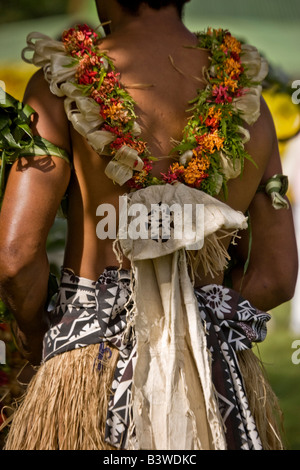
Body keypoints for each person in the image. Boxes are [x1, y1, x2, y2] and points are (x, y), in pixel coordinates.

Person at [0, 0, 297, 450]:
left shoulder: (59, 83)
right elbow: (276, 277)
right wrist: (197, 313)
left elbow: (15, 256)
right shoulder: (250, 101)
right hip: (212, 380)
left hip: (87, 372)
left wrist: (43, 336)